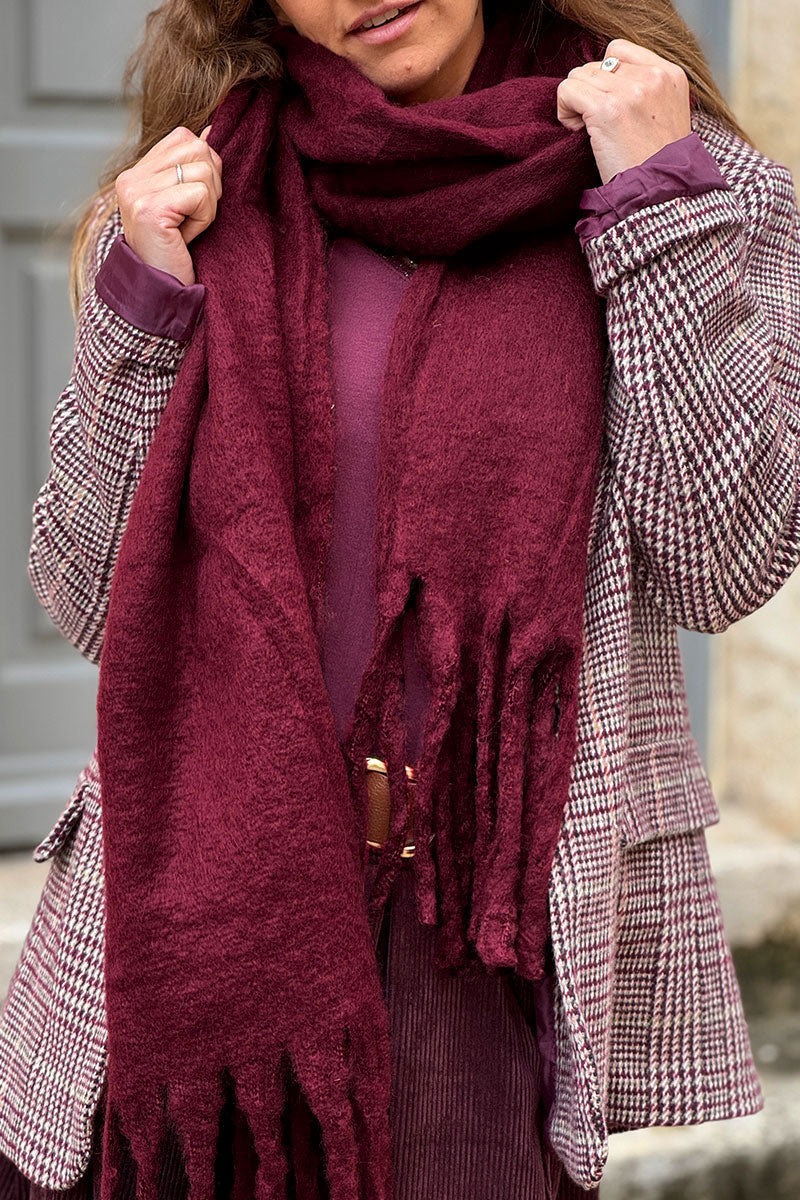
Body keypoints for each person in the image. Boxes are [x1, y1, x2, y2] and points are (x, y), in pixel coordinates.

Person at [1, 0, 799, 1197]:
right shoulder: (221, 176)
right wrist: (142, 305)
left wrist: (657, 204)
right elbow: (82, 595)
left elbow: (718, 555)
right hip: (202, 911)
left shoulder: (677, 171)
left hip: (476, 941)